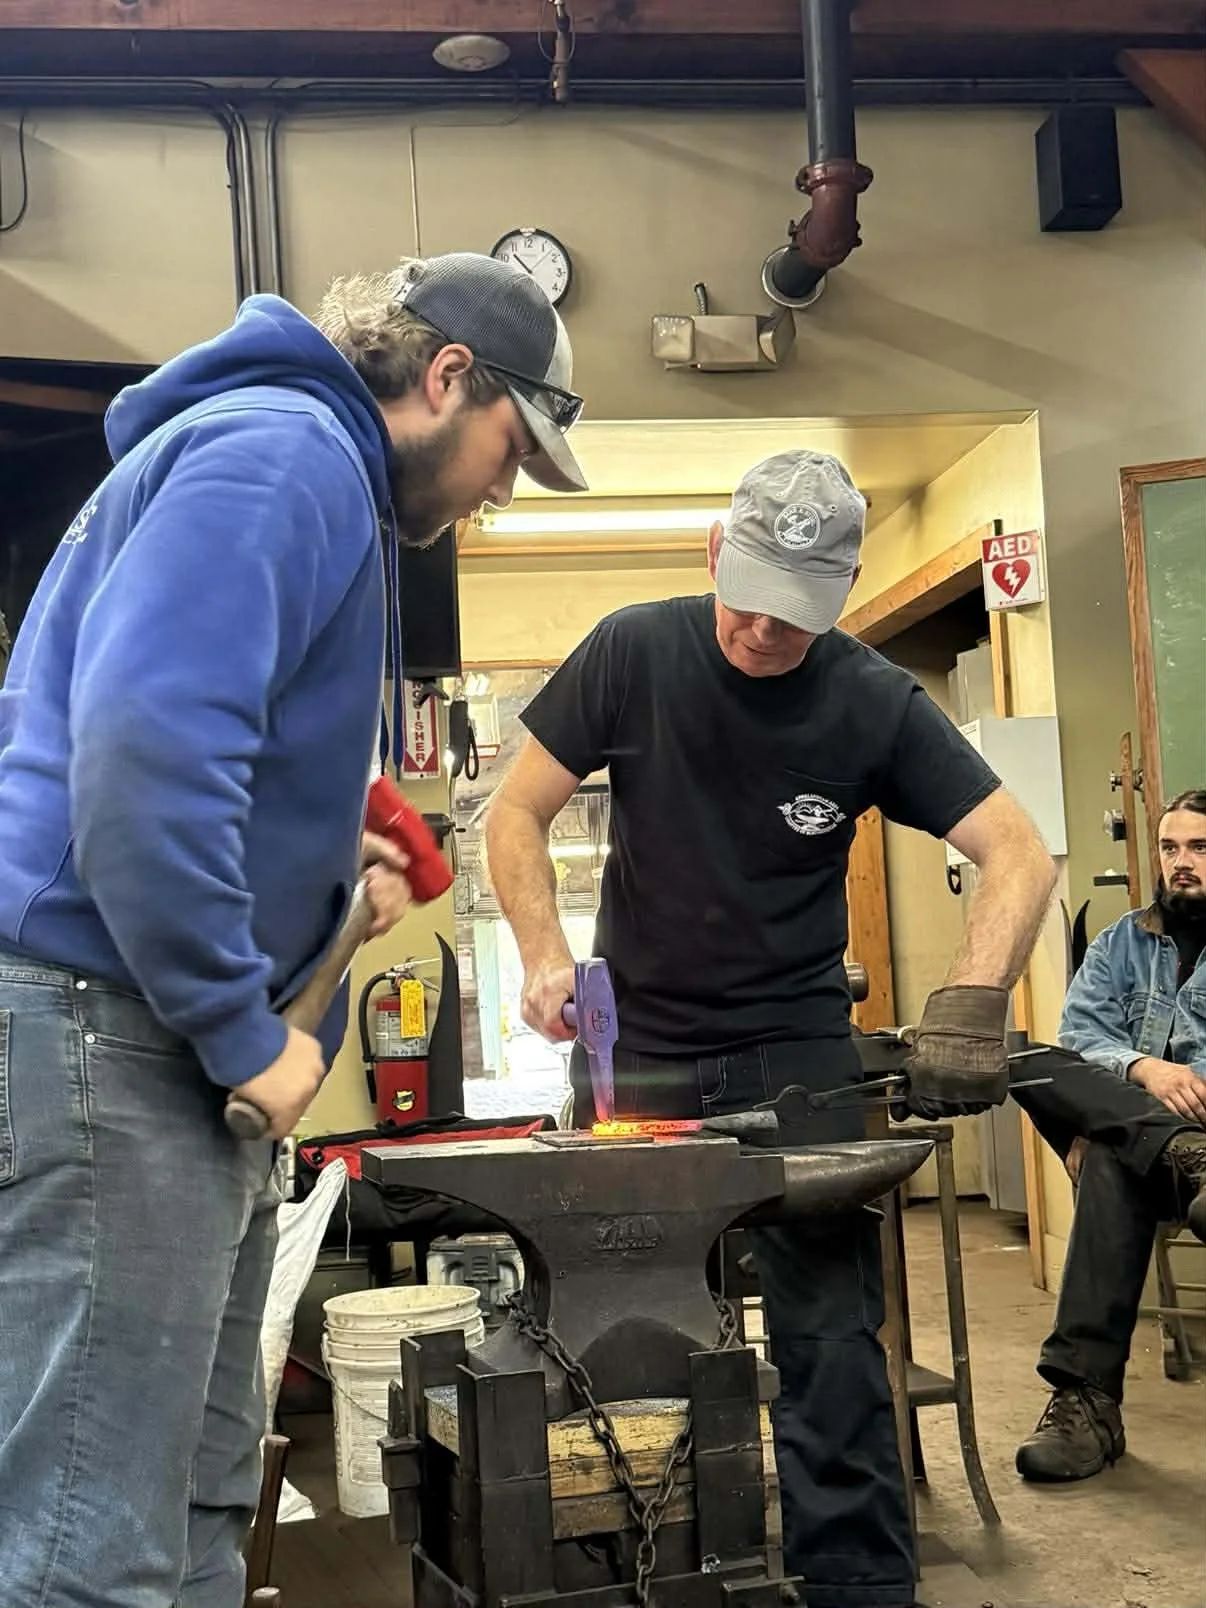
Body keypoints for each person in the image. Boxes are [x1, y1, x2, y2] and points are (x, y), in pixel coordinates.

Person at [0, 251, 586, 1608]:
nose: (504, 490)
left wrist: (324, 867)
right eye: (512, 448)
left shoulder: (291, 464)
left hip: (143, 1043)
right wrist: (234, 1020)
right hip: (113, 1032)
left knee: (193, 1504)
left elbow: (195, 730)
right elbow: (146, 750)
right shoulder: (288, 454)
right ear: (449, 377)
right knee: (92, 1543)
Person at [486, 450, 1057, 1608]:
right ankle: (646, 1572)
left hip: (796, 1052)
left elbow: (1018, 852)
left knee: (832, 1339)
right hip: (640, 1051)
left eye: (792, 615)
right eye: (745, 598)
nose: (759, 630)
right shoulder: (633, 651)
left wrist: (971, 1000)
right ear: (715, 554)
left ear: (841, 592)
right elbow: (515, 811)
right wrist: (544, 952)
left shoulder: (871, 699)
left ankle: (856, 1585)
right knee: (623, 1331)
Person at [1014, 789, 1206, 1484]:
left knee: (1107, 1159)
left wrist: (1112, 1117)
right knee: (1023, 1060)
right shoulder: (1120, 942)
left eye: (1200, 847)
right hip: (1166, 1154)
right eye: (1170, 847)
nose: (1181, 862)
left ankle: (1087, 1401)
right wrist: (1145, 1069)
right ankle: (1184, 1153)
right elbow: (1080, 1040)